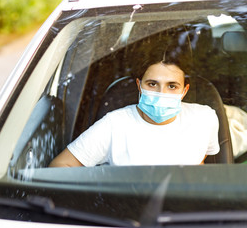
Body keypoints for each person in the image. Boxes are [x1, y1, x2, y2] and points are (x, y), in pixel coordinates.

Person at [49, 36, 220, 167]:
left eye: (172, 86)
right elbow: (60, 166)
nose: (162, 93)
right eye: (152, 84)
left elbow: (200, 161)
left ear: (184, 91)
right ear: (139, 85)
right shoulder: (114, 124)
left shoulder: (204, 118)